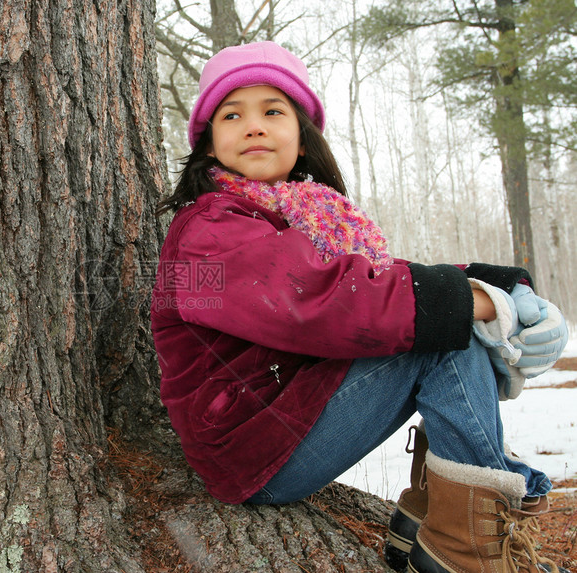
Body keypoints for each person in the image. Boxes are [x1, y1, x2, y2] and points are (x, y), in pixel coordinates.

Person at [150, 41, 570, 573]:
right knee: (441, 334)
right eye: (232, 115)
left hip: (278, 418)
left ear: (302, 139)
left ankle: (431, 524)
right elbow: (320, 301)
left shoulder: (303, 217)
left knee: (439, 321)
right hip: (250, 448)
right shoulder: (210, 234)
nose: (253, 126)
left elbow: (376, 281)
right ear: (208, 145)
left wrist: (503, 288)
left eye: (272, 111)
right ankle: (464, 551)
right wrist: (480, 304)